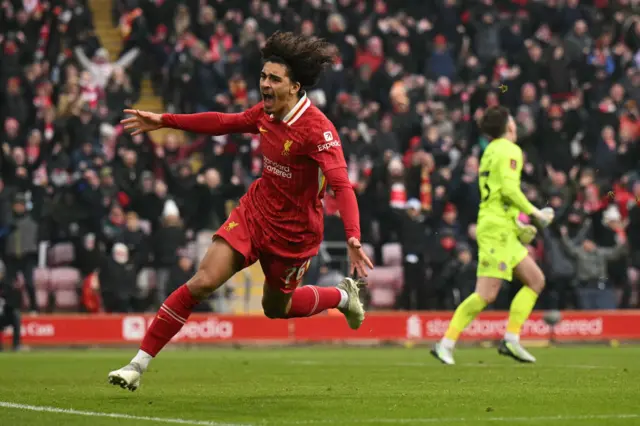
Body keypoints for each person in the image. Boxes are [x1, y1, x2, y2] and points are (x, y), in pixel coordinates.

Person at [108, 32, 373, 391]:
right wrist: (166, 120)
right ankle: (137, 365)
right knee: (202, 281)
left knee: (276, 309)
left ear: (295, 87)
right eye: (263, 76)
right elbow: (222, 122)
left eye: (274, 79)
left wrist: (354, 236)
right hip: (255, 214)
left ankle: (341, 296)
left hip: (295, 234)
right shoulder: (265, 115)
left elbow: (342, 185)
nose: (264, 84)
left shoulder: (318, 131)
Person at [431, 106, 554, 365]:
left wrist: (518, 226)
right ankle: (446, 343)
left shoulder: (489, 150)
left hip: (501, 225)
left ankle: (511, 339)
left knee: (535, 280)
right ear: (509, 126)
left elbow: (497, 193)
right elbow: (508, 190)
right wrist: (535, 213)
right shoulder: (510, 149)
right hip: (496, 229)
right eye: (512, 120)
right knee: (486, 294)